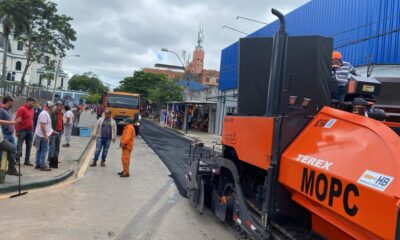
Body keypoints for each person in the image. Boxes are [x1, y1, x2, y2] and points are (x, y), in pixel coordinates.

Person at [0, 96, 21, 176]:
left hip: (10, 134)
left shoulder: (9, 110)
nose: (13, 103)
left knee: (13, 150)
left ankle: (11, 168)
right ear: (9, 101)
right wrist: (15, 122)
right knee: (2, 154)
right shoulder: (1, 111)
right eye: (12, 101)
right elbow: (1, 122)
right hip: (4, 135)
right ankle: (4, 171)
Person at [15, 97, 36, 166]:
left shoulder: (32, 110)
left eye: (34, 103)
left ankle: (27, 161)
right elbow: (17, 120)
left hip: (30, 130)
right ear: (28, 101)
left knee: (29, 146)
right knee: (19, 145)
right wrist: (17, 131)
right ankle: (17, 160)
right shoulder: (21, 109)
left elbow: (32, 119)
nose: (33, 104)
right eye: (32, 102)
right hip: (22, 130)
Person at [34, 101, 54, 171]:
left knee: (39, 150)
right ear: (50, 107)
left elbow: (46, 125)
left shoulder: (44, 113)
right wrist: (45, 135)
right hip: (42, 136)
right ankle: (42, 165)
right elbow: (42, 125)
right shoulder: (44, 114)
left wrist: (51, 131)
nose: (52, 108)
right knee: (44, 150)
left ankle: (38, 164)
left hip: (40, 134)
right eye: (52, 106)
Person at [48, 101, 63, 168]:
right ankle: (50, 161)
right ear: (56, 106)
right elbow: (50, 123)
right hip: (53, 131)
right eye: (59, 105)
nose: (60, 106)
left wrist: (62, 129)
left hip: (59, 131)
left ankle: (55, 160)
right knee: (52, 146)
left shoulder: (61, 113)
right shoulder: (53, 113)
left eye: (61, 105)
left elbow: (61, 121)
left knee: (57, 146)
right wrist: (52, 131)